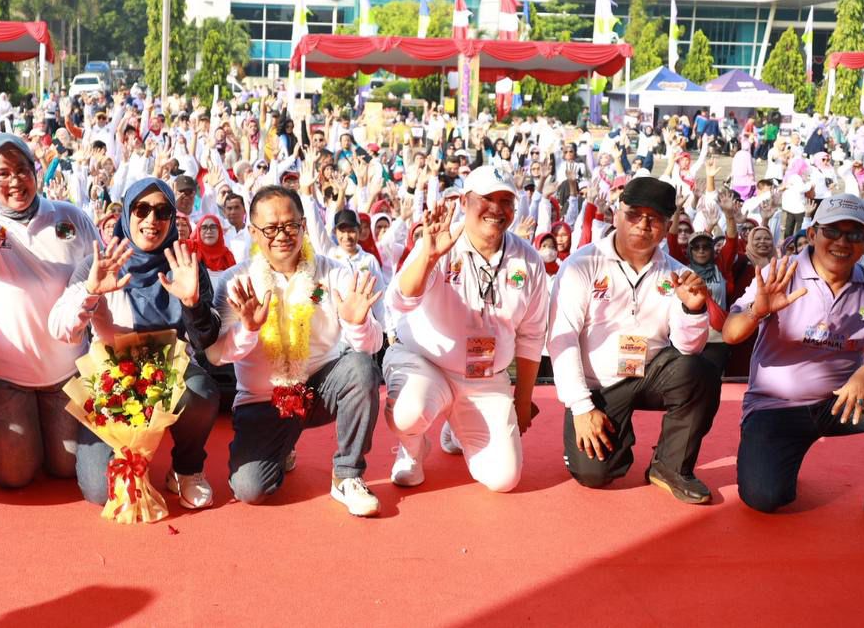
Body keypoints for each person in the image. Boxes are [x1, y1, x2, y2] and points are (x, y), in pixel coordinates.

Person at [723, 195, 864, 535]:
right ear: (813, 233)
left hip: (844, 404)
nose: (842, 242)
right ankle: (772, 453)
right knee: (764, 496)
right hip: (776, 408)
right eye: (833, 231)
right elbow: (730, 334)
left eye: (854, 235)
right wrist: (757, 312)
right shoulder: (781, 271)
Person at [0, 131, 99, 490]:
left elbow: (99, 274)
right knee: (15, 475)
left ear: (35, 171)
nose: (15, 181)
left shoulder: (70, 217)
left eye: (22, 170)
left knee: (64, 467)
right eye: (2, 174)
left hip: (64, 373)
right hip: (0, 375)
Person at [209, 186, 385, 517]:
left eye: (290, 226)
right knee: (250, 489)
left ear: (304, 225)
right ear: (253, 231)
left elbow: (372, 347)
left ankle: (347, 475)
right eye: (271, 228)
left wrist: (357, 324)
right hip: (262, 400)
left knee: (361, 368)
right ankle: (281, 447)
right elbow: (217, 356)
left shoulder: (333, 273)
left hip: (319, 387)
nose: (282, 236)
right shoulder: (236, 280)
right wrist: (247, 330)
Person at [50, 178, 222, 510]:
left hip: (171, 371)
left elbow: (205, 340)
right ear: (126, 213)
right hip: (115, 376)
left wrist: (192, 304)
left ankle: (186, 469)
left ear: (173, 219)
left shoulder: (185, 265)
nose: (151, 221)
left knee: (202, 392)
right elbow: (61, 329)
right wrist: (91, 292)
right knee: (101, 492)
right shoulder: (99, 265)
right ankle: (129, 451)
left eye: (162, 212)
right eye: (142, 209)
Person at [548, 176, 721, 503]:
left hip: (650, 372)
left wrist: (692, 309)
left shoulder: (673, 272)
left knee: (700, 372)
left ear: (667, 224)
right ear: (617, 214)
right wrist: (582, 407)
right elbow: (563, 338)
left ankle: (671, 466)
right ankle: (612, 434)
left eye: (654, 218)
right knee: (593, 475)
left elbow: (688, 349)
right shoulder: (580, 266)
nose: (643, 225)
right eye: (634, 214)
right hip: (597, 386)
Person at [384, 167, 548, 492]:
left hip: (486, 378)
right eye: (486, 199)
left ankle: (455, 426)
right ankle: (412, 450)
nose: (496, 209)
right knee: (408, 413)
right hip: (426, 364)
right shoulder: (440, 242)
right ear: (463, 201)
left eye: (506, 201)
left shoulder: (528, 260)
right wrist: (429, 257)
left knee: (504, 479)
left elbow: (531, 336)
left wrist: (523, 400)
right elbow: (399, 300)